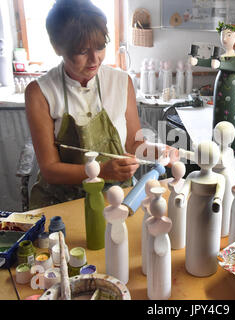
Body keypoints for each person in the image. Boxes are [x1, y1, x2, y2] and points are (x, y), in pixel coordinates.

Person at [25, 0, 176, 209]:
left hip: (115, 197)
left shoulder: (121, 82)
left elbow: (133, 144)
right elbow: (50, 169)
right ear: (57, 47)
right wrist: (102, 171)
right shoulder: (40, 92)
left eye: (100, 46)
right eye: (82, 51)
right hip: (61, 201)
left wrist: (157, 150)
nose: (94, 59)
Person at [189, 22, 235, 157]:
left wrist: (220, 64)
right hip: (220, 88)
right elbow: (211, 62)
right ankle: (215, 148)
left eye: (229, 35)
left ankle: (232, 150)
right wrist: (197, 61)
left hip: (234, 90)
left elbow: (234, 67)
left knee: (233, 119)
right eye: (222, 35)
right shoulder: (220, 57)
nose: (224, 38)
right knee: (218, 118)